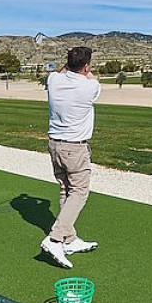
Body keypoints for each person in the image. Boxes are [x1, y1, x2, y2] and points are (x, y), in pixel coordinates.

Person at [40, 46, 101, 269]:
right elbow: (88, 76)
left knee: (66, 190)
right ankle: (55, 239)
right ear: (86, 66)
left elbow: (63, 71)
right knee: (79, 192)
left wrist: (70, 60)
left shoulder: (53, 80)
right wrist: (81, 65)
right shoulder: (91, 86)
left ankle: (70, 239)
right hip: (75, 148)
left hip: (54, 145)